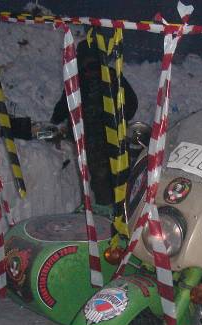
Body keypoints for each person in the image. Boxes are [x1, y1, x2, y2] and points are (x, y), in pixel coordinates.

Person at [51, 34, 138, 206]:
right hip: (117, 141)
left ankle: (107, 218)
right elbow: (132, 104)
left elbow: (61, 110)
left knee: (102, 186)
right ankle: (125, 216)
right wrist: (120, 119)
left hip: (92, 146)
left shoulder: (77, 81)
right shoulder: (113, 76)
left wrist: (56, 124)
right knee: (123, 182)